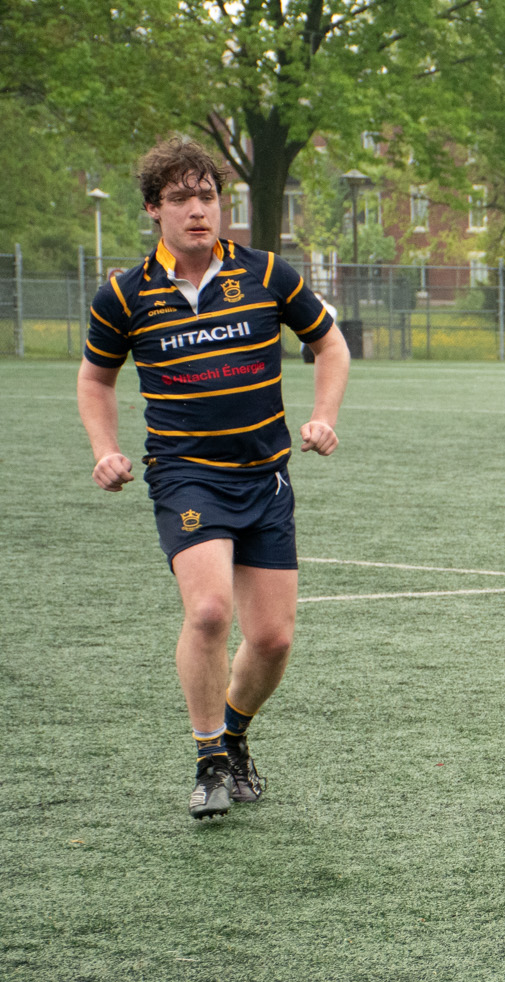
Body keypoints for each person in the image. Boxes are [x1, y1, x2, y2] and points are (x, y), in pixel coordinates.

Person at [76, 138, 348, 819]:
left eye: (207, 196)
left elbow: (329, 344)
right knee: (207, 612)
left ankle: (233, 735)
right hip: (186, 476)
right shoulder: (124, 294)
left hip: (265, 476)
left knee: (273, 639)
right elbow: (96, 379)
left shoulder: (267, 273)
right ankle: (209, 763)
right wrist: (105, 449)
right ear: (153, 209)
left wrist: (323, 416)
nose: (197, 210)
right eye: (180, 199)